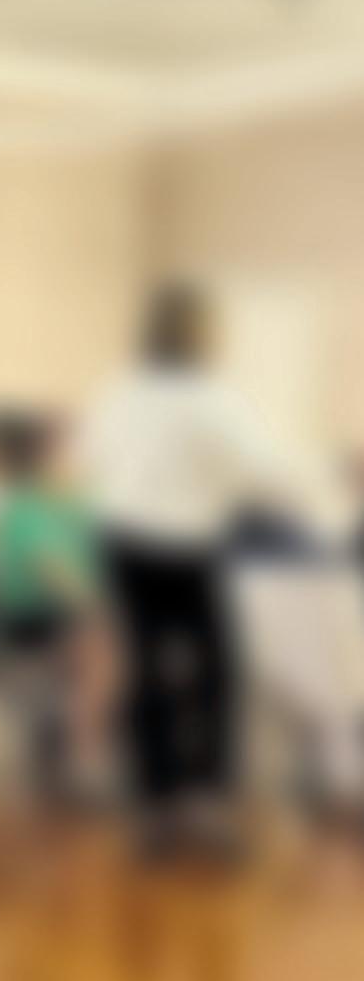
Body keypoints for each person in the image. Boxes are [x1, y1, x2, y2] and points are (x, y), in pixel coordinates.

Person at [80, 282, 308, 855]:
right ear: (202, 332)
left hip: (123, 545)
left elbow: (90, 460)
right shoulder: (214, 399)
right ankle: (204, 802)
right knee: (217, 675)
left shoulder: (117, 392)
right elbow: (266, 472)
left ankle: (155, 806)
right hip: (186, 548)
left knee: (147, 671)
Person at [0, 409, 106, 804]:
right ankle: (83, 761)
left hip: (48, 613)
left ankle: (78, 756)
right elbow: (50, 566)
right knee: (102, 655)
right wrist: (94, 606)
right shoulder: (27, 505)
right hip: (35, 615)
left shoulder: (66, 501)